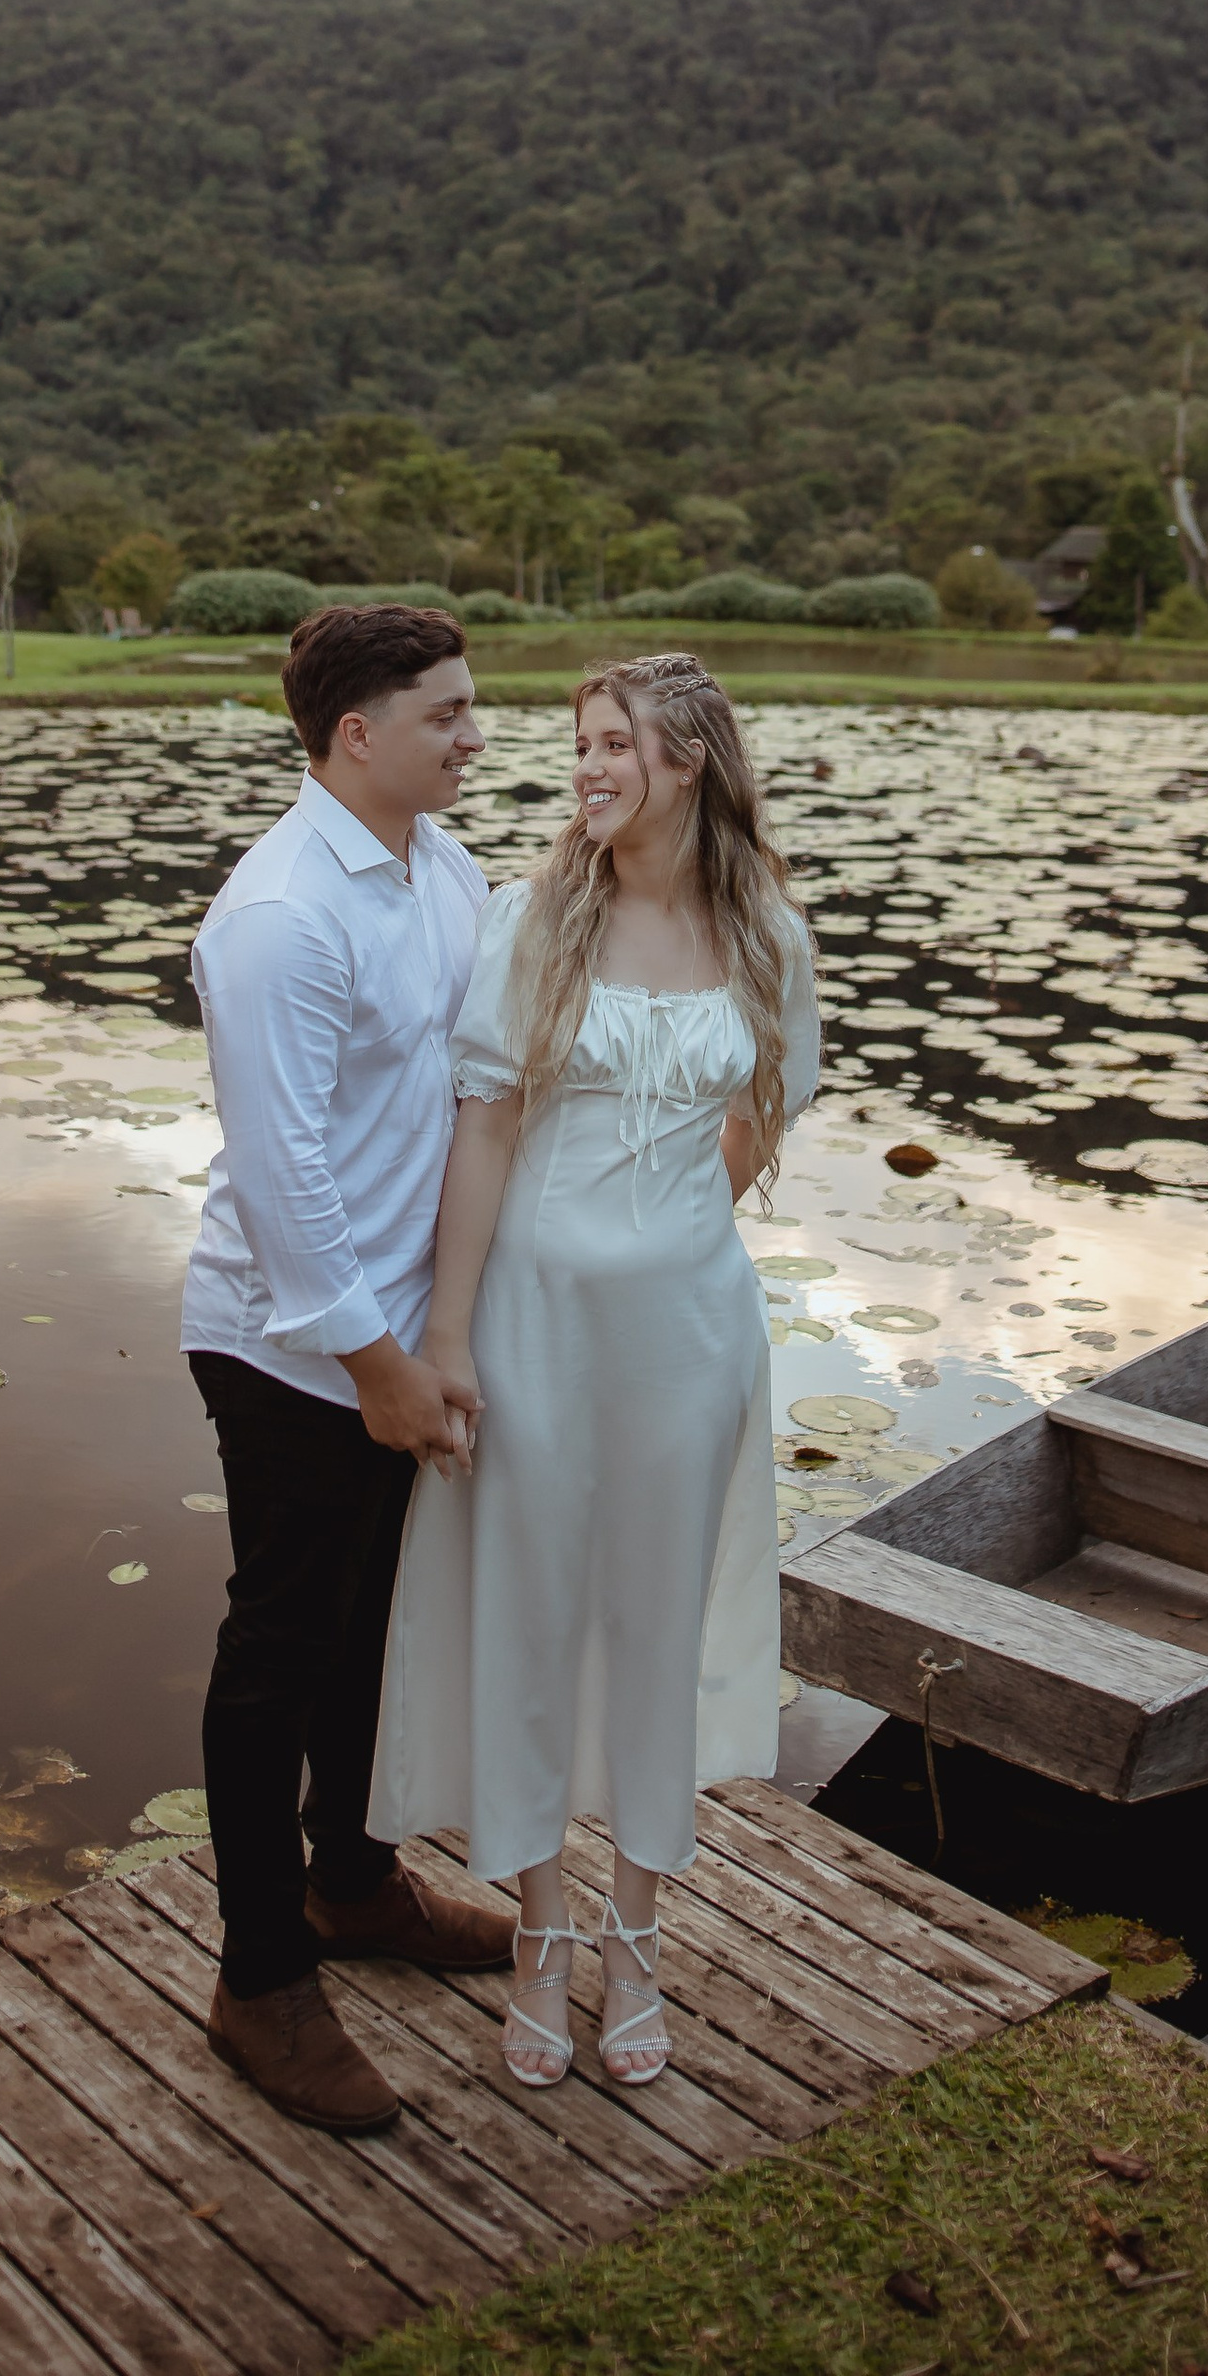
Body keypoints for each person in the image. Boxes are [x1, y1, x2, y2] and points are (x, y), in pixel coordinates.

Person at [370, 650, 818, 2090]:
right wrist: (447, 1336)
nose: (586, 766)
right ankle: (540, 1931)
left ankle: (636, 1937)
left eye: (611, 742)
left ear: (686, 756)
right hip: (532, 1329)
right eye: (579, 743)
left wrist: (671, 1226)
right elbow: (485, 1133)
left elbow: (760, 1117)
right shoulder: (532, 919)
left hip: (688, 1344)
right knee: (532, 1621)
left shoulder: (768, 940)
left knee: (649, 1632)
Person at [181, 602, 518, 2132]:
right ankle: (259, 1978)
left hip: (396, 1323)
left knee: (375, 1628)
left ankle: (355, 1885)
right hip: (289, 1341)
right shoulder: (278, 918)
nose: (474, 732)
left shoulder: (438, 868)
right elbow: (281, 1175)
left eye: (473, 706)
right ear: (356, 735)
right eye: (446, 713)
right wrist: (382, 1362)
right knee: (283, 1649)